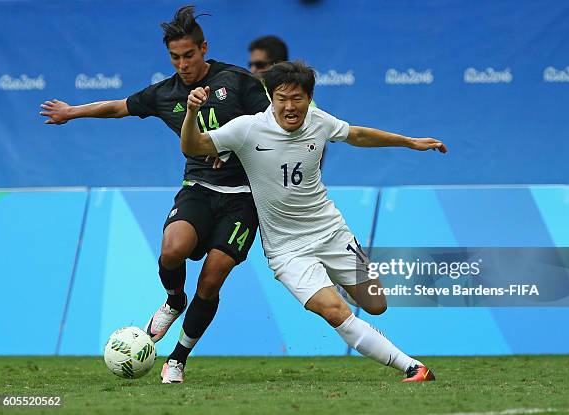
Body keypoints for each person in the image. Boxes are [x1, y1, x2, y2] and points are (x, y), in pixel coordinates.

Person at [39, 5, 270, 383]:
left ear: (204, 49)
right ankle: (174, 300)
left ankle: (177, 359)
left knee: (211, 278)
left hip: (243, 196)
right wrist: (71, 111)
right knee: (172, 250)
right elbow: (117, 107)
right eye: (175, 58)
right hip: (198, 187)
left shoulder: (238, 81)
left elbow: (269, 125)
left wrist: (234, 148)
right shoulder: (165, 93)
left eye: (189, 56)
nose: (183, 64)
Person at [179, 61, 447, 382]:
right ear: (270, 98)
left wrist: (409, 142)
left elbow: (358, 135)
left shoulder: (319, 122)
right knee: (335, 311)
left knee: (376, 304)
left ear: (309, 98)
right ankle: (412, 367)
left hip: (331, 231)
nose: (290, 107)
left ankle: (330, 283)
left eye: (297, 98)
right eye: (282, 98)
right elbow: (193, 146)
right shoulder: (247, 128)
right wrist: (192, 114)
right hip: (287, 249)